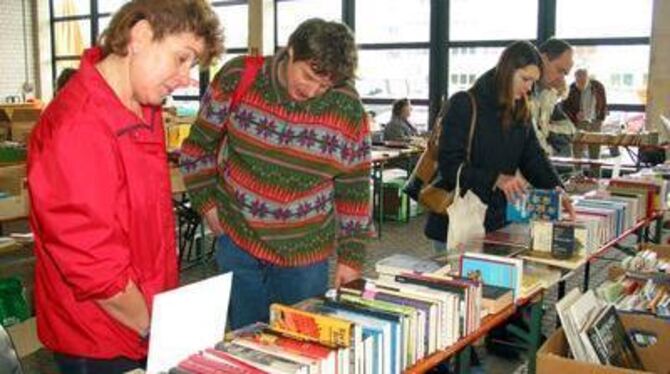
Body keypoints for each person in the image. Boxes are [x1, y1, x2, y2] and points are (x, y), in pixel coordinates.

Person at [27, 1, 223, 372]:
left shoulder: (140, 107)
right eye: (181, 58)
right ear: (141, 35)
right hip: (100, 337)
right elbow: (94, 265)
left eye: (192, 64)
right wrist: (155, 329)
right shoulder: (78, 126)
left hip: (141, 319)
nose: (186, 77)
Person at [180, 18, 372, 330]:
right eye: (308, 76)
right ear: (290, 50)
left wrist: (351, 257)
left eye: (325, 85)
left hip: (305, 253)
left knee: (301, 348)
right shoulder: (239, 77)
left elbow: (355, 187)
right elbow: (198, 148)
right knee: (247, 341)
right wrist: (208, 206)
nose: (312, 91)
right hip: (238, 241)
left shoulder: (346, 107)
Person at [424, 41, 573, 252]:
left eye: (533, 81)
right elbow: (449, 166)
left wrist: (556, 188)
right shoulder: (465, 103)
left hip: (498, 220)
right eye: (525, 79)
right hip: (458, 221)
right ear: (506, 71)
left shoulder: (521, 109)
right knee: (460, 282)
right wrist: (495, 178)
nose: (529, 87)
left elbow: (533, 157)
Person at [529, 38, 575, 155]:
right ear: (543, 58)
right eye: (560, 70)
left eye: (565, 74)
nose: (561, 79)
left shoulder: (548, 93)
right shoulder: (520, 91)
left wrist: (544, 129)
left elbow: (569, 130)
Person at [563, 68, 610, 169]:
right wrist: (575, 114)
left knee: (595, 153)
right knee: (577, 152)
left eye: (583, 80)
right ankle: (577, 177)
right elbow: (565, 108)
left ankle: (595, 178)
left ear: (587, 78)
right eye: (578, 81)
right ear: (575, 79)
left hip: (595, 122)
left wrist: (601, 117)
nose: (580, 83)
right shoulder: (571, 88)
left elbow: (603, 102)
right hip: (579, 123)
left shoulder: (598, 86)